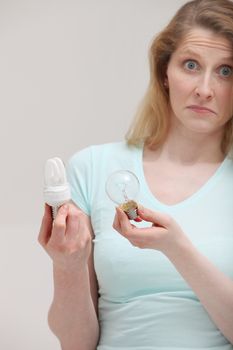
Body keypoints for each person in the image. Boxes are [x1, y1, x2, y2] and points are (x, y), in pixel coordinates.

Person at [38, 0, 233, 348]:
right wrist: (67, 267)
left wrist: (177, 249)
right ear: (164, 72)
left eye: (226, 71)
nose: (205, 88)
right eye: (191, 65)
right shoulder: (92, 168)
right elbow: (76, 343)